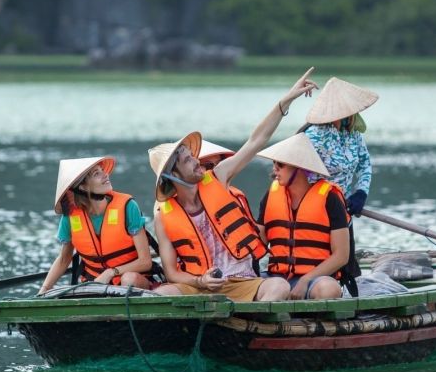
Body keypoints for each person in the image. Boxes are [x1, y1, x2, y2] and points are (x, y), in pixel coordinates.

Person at [149, 69, 318, 302]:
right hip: (200, 287)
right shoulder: (162, 215)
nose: (198, 162)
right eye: (188, 160)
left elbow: (256, 141)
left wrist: (286, 100)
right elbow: (171, 272)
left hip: (241, 282)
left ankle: (252, 328)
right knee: (160, 293)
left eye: (193, 156)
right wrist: (200, 281)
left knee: (278, 287)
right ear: (173, 175)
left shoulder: (218, 176)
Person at [302, 77, 378, 293]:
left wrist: (361, 192)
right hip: (317, 211)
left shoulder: (353, 135)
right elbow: (302, 175)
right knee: (323, 263)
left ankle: (346, 296)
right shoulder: (314, 136)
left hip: (344, 210)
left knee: (346, 268)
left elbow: (365, 164)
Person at [38, 156, 154, 294]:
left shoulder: (128, 207)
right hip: (93, 286)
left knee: (128, 279)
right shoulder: (70, 217)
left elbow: (146, 262)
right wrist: (44, 290)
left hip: (131, 281)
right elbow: (64, 259)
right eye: (96, 174)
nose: (106, 175)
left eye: (102, 170)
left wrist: (111, 272)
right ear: (82, 186)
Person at [256, 133, 349, 300]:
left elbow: (341, 255)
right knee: (257, 285)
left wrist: (306, 280)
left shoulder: (330, 198)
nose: (274, 169)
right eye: (274, 164)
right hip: (276, 279)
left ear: (298, 168)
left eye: (280, 164)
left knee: (329, 289)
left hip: (315, 281)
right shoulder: (271, 195)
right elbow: (257, 244)